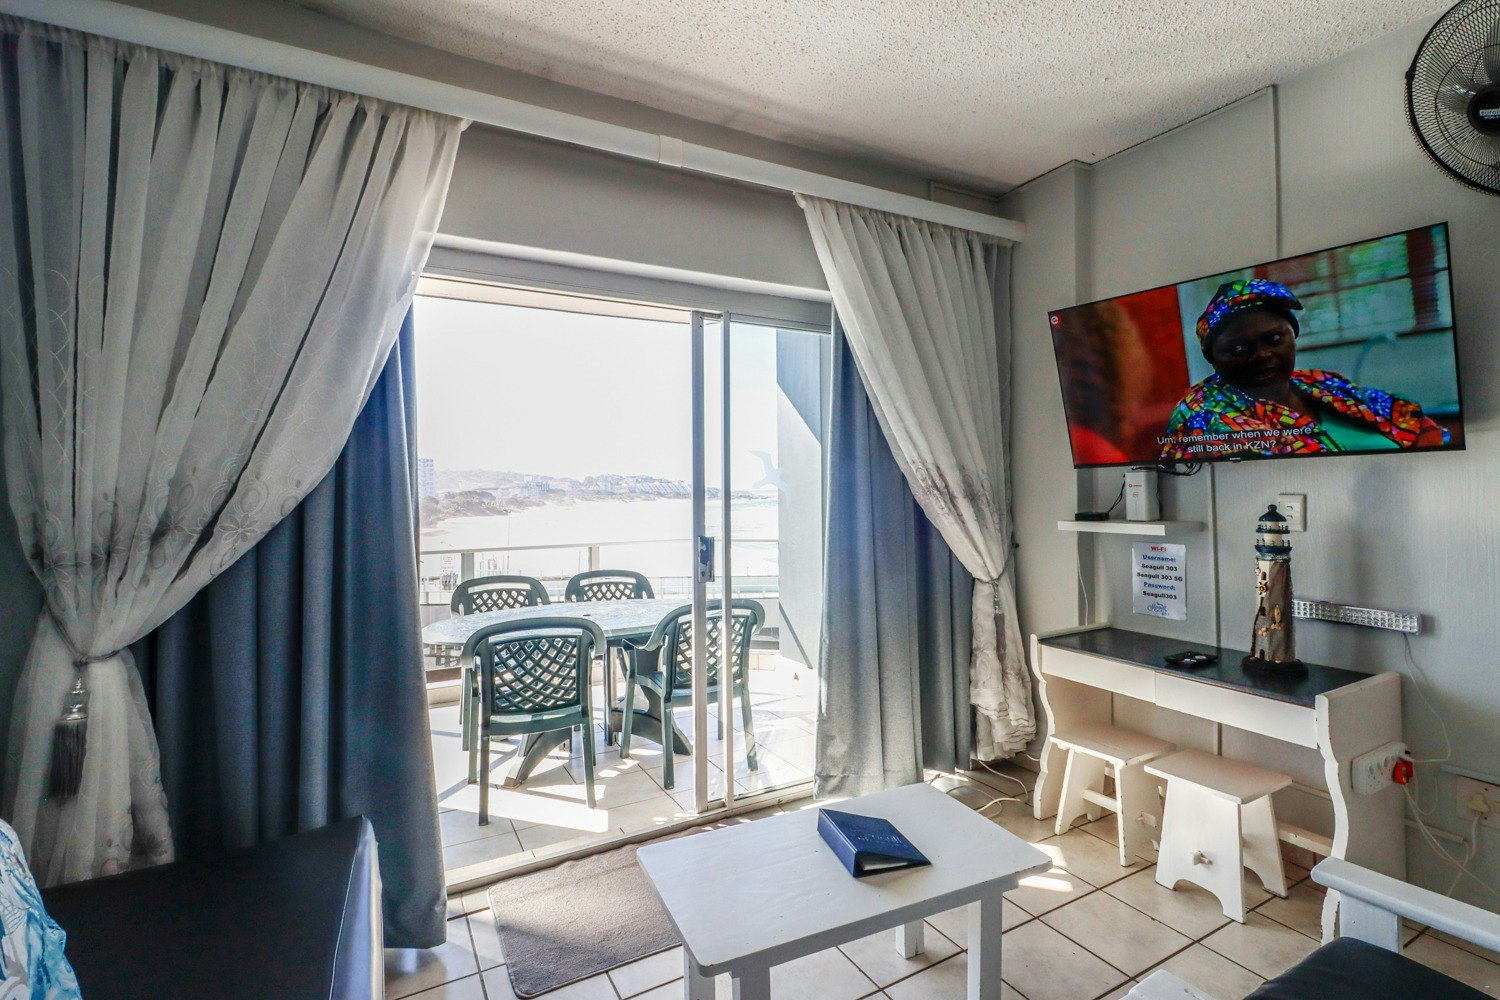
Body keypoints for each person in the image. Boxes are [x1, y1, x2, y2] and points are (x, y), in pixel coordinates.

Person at [1159, 278, 1449, 461]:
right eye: (1237, 349)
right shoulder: (1201, 412)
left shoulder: (1321, 382)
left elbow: (1414, 423)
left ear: (1293, 336)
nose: (1261, 355)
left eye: (1274, 339)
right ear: (1212, 358)